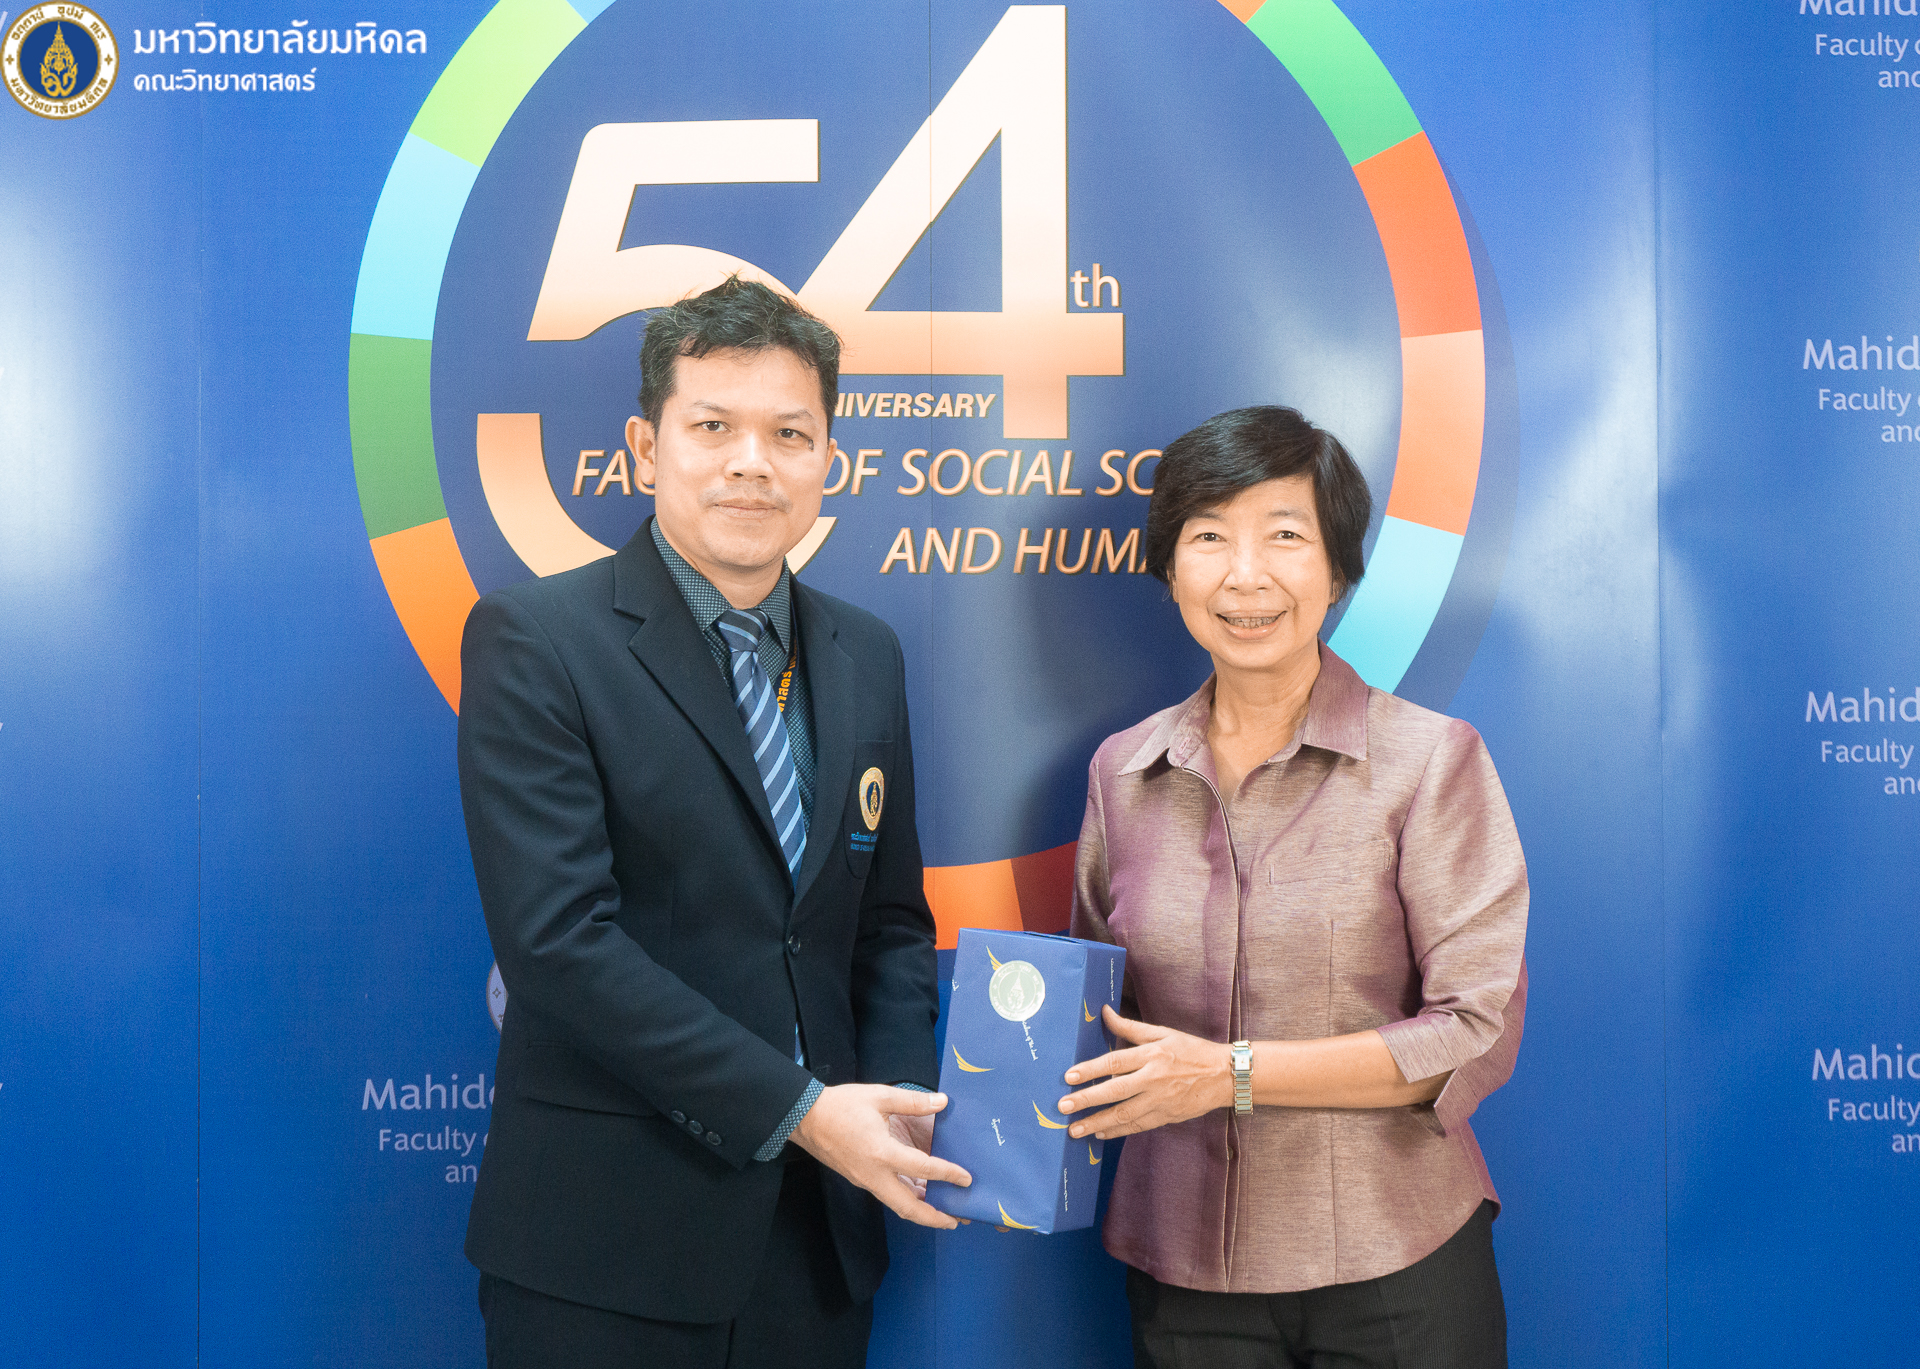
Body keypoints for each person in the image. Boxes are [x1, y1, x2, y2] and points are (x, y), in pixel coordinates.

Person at [457, 277, 970, 1369]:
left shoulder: (865, 652)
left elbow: (887, 924)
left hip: (820, 1236)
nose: (753, 463)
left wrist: (889, 1109)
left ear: (828, 458)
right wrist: (802, 1108)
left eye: (790, 433)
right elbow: (558, 943)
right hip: (606, 1248)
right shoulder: (537, 640)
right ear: (646, 447)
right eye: (713, 427)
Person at [1060, 406, 1528, 1369]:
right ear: (1168, 569)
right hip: (1183, 1270)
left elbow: (1475, 1031)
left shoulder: (1429, 760)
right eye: (1208, 538)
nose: (1245, 574)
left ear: (1339, 569)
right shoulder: (1121, 771)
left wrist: (1229, 1073)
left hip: (1395, 1260)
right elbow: (1091, 1012)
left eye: (1284, 536)